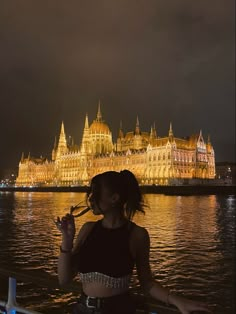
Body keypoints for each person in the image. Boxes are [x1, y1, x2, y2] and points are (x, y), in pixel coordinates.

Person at [57, 170, 211, 314]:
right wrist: (67, 239)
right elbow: (64, 279)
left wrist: (176, 300)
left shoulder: (137, 235)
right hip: (82, 309)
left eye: (95, 192)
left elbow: (147, 282)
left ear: (114, 198)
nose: (90, 198)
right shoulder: (87, 229)